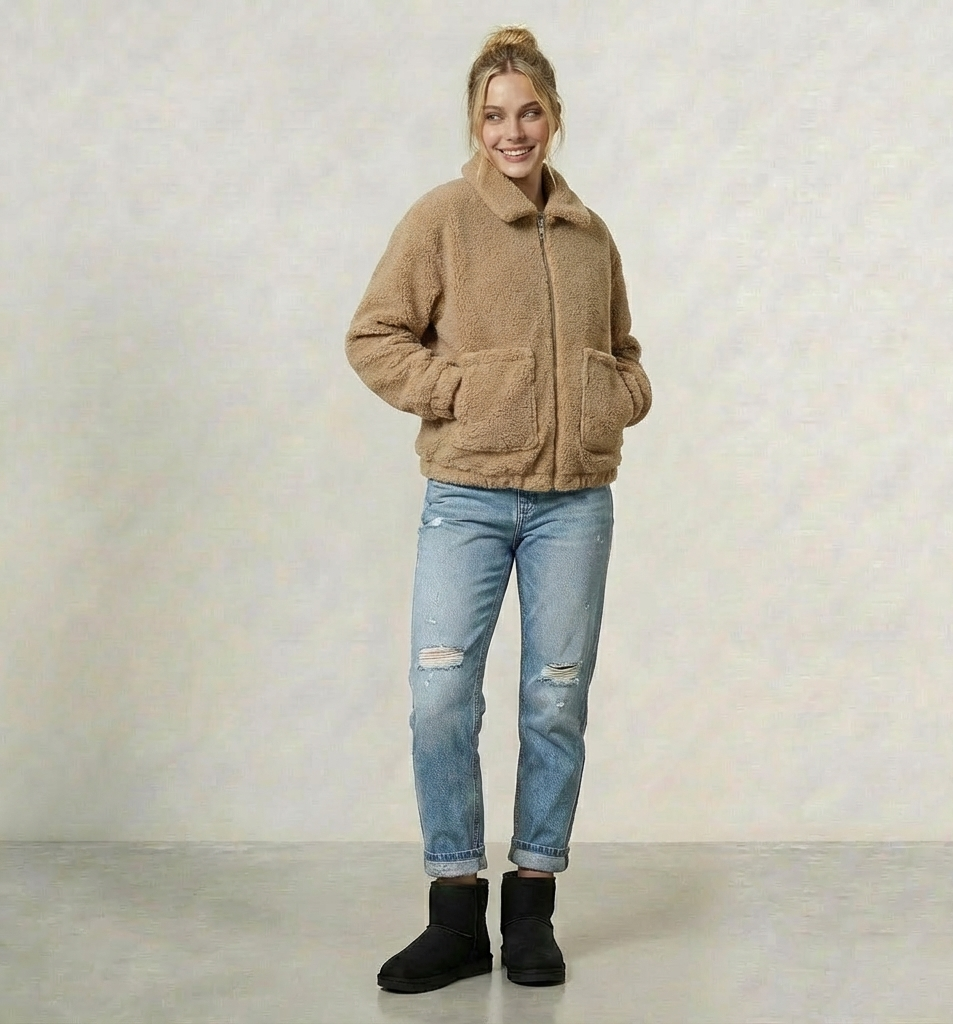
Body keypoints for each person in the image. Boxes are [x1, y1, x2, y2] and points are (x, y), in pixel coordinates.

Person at [346, 25, 652, 993]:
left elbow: (626, 353)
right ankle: (453, 912)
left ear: (553, 118)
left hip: (575, 505)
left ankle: (531, 910)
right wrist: (459, 393)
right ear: (474, 126)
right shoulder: (442, 218)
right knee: (441, 697)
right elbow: (374, 336)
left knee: (555, 700)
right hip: (467, 497)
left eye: (527, 113)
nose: (511, 131)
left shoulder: (592, 235)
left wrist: (615, 397)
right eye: (493, 116)